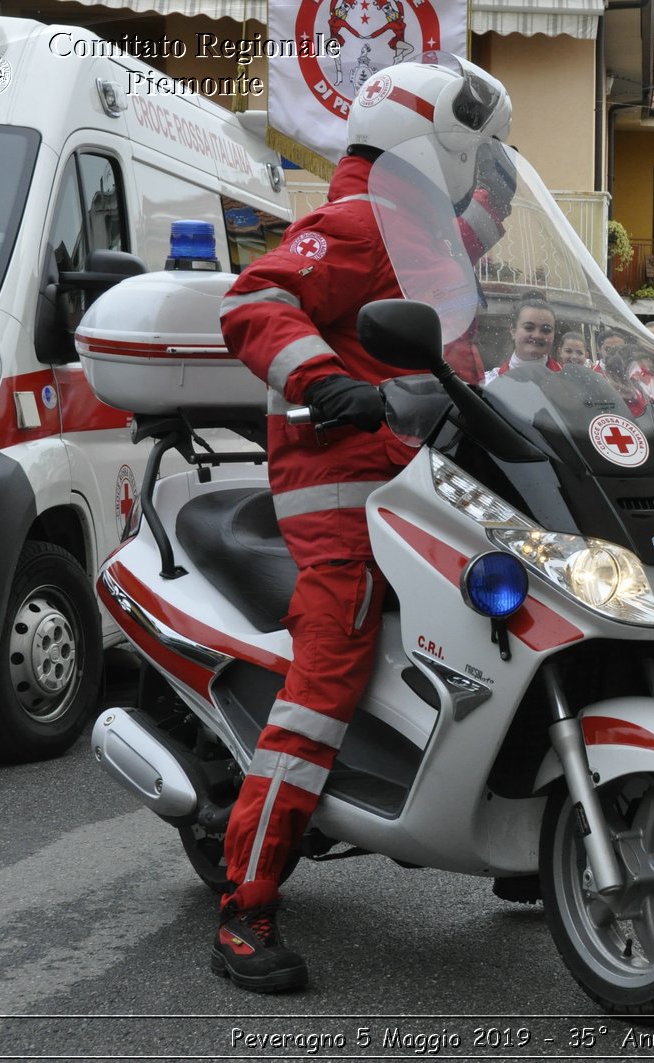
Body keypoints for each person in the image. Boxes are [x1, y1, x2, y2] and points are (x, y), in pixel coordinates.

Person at [215, 57, 516, 992]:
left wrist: (502, 205)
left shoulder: (420, 227)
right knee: (328, 676)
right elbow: (256, 299)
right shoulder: (352, 219)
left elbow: (454, 267)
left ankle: (527, 829)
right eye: (479, 147)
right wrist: (323, 381)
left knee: (508, 627)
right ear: (431, 139)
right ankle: (245, 902)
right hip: (344, 480)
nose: (484, 162)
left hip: (421, 480)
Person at [484, 291, 561, 382]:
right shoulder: (489, 382)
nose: (537, 335)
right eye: (529, 327)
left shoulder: (569, 383)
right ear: (513, 330)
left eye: (546, 330)